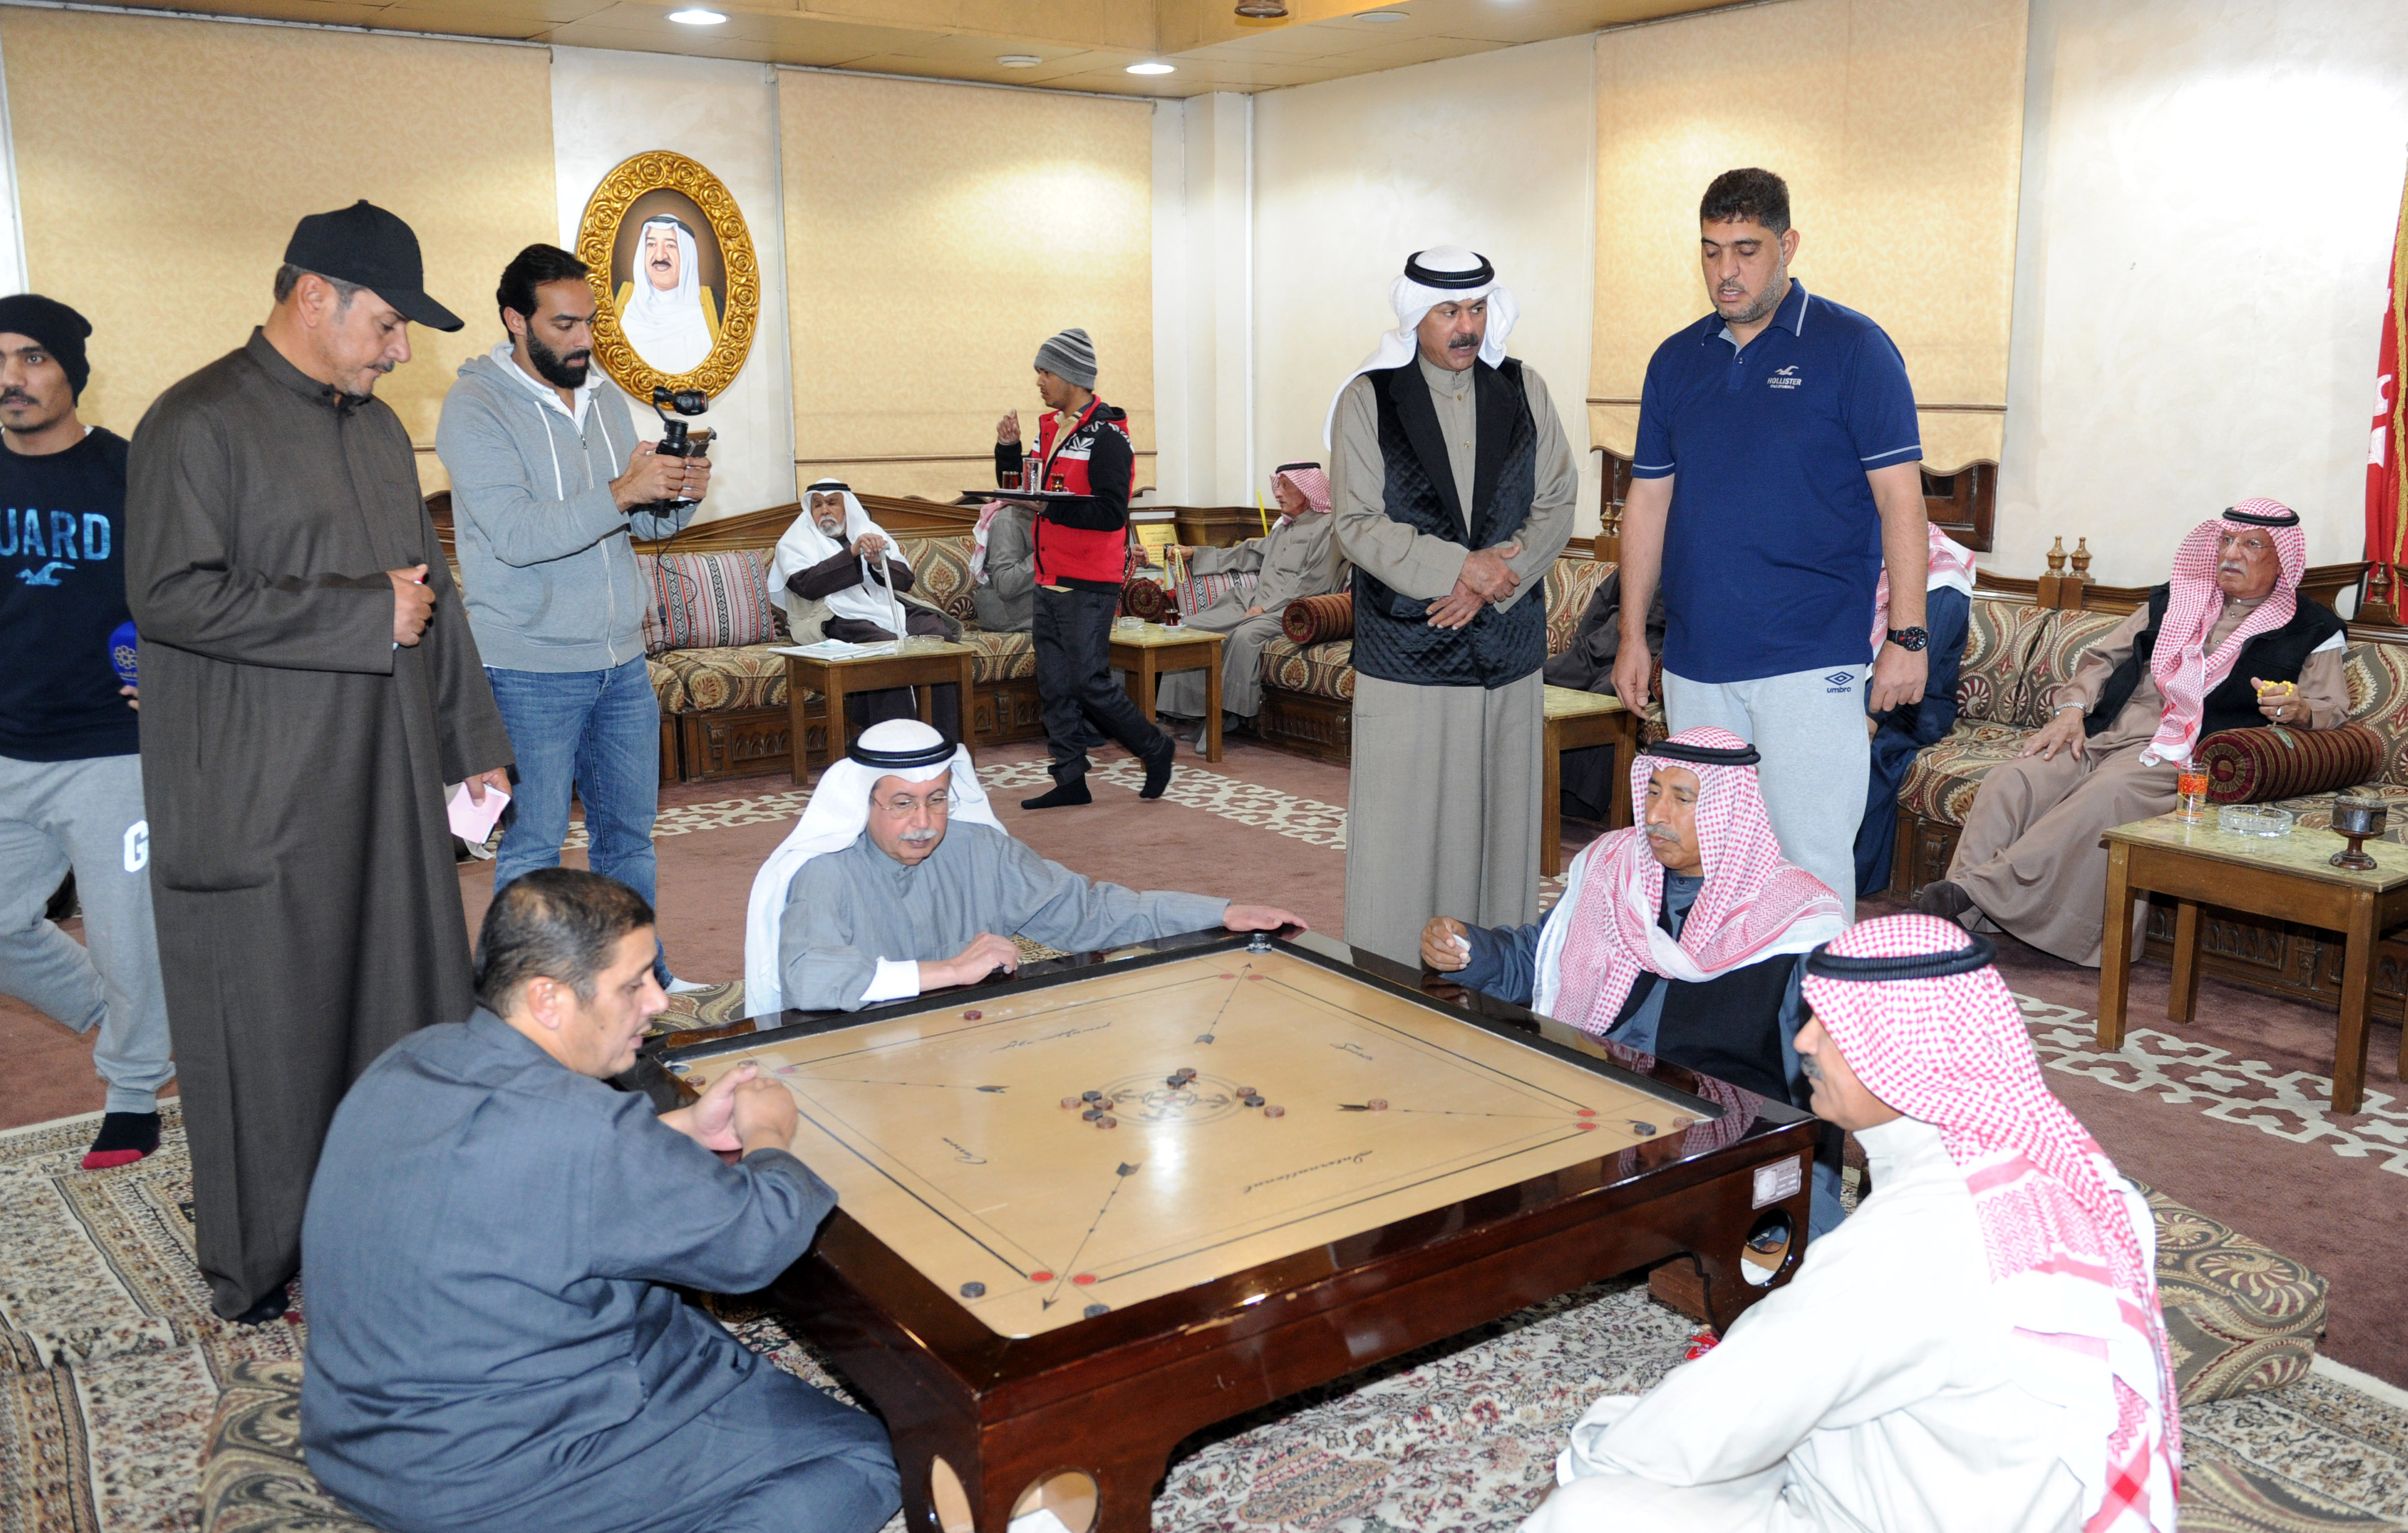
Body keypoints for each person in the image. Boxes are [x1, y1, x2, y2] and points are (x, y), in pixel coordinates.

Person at [126, 200, 514, 1323]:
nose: (400, 352)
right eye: (389, 325)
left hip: (383, 778)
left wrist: (469, 743)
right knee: (275, 1032)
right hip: (258, 794)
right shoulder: (195, 421)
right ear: (314, 297)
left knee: (398, 1005)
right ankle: (263, 1264)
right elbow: (170, 593)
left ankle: (387, 1230)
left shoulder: (380, 430)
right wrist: (358, 615)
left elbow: (425, 591)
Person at [1525, 915, 2177, 1533]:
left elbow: (1723, 1411)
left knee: (1591, 1508)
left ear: (1900, 1052)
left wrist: (1587, 1456)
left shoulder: (1911, 1241)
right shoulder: (2061, 1169)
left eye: (1831, 1027)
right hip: (1989, 1492)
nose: (1803, 1041)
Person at [300, 869, 900, 1533]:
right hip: (499, 1476)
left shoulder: (413, 1058)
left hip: (360, 1445)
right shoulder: (580, 1131)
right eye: (633, 982)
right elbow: (752, 1244)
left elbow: (514, 1176)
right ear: (549, 999)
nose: (657, 1000)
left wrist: (687, 1128)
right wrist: (769, 1134)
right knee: (866, 1455)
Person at [1609, 169, 1931, 922]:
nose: (1726, 271)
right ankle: (1717, 1026)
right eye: (1711, 251)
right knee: (1698, 854)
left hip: (1809, 657)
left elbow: (1900, 500)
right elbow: (1648, 502)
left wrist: (1906, 635)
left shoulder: (1854, 348)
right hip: (1696, 661)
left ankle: (1810, 1037)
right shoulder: (1674, 360)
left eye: (1746, 250)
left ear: (1787, 245)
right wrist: (1632, 635)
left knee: (1808, 862)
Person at [1423, 728, 1848, 1233]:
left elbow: (1819, 1080)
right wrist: (1464, 948)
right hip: (1595, 1086)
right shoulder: (1614, 869)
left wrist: (1806, 1200)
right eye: (1652, 792)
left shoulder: (1794, 919)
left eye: (1681, 799)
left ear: (1728, 812)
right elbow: (1540, 960)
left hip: (1712, 1120)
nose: (1654, 816)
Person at [436, 243, 709, 990]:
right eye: (563, 325)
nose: (584, 340)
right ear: (514, 321)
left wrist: (674, 494)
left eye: (589, 322)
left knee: (629, 842)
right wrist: (625, 491)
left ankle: (640, 981)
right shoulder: (475, 407)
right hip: (526, 666)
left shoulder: (604, 400)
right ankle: (515, 1001)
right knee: (532, 851)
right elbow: (520, 537)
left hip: (621, 662)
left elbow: (637, 531)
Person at [1919, 502, 2344, 964]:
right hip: (2107, 732)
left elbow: (2332, 711)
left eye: (2251, 544)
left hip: (2185, 753)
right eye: (2226, 541)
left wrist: (2299, 709)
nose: (2232, 553)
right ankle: (1961, 920)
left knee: (2108, 794)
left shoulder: (2313, 628)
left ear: (2283, 558)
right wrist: (2071, 711)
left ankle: (1971, 893)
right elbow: (2102, 660)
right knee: (2014, 779)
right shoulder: (2173, 598)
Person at [1326, 247, 1577, 967]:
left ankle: (1491, 975)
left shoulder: (1523, 388)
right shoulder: (1367, 399)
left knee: (1499, 833)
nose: (1465, 327)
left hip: (1503, 649)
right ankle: (1386, 976)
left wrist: (1495, 576)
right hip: (1408, 651)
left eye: (1475, 310)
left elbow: (1558, 500)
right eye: (1447, 312)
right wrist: (1456, 570)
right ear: (1414, 316)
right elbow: (1356, 523)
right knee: (1402, 834)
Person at [742, 720, 1306, 1015]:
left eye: (937, 799)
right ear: (861, 802)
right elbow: (809, 979)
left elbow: (1090, 912)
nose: (923, 821)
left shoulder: (980, 850)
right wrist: (949, 971)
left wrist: (1220, 912)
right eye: (901, 803)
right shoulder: (826, 870)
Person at [0, 294, 174, 1169]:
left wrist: (174, 676)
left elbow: (184, 594)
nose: (10, 379)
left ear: (71, 368)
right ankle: (120, 1019)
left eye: (31, 358)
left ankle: (136, 1089)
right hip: (8, 745)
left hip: (111, 748)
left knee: (126, 936)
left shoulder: (131, 473)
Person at [997, 327, 1177, 810]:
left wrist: (1051, 509)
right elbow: (1028, 491)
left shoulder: (1109, 437)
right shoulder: (1052, 429)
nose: (1039, 380)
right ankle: (1070, 778)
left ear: (1073, 377)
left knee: (1088, 683)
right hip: (1048, 576)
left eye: (1046, 371)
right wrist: (1009, 453)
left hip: (1087, 583)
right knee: (1055, 685)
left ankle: (1154, 747)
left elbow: (1111, 512)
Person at [1156, 462, 1345, 750]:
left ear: (1308, 492)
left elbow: (1313, 582)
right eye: (1277, 486)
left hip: (1291, 611)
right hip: (1254, 601)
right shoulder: (1283, 529)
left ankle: (1223, 717)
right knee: (1192, 628)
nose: (1278, 494)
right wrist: (1196, 553)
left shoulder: (1328, 529)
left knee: (1245, 637)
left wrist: (1268, 608)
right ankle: (1187, 712)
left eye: (1286, 487)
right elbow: (1250, 552)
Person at [772, 477, 962, 734]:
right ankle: (894, 743)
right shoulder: (795, 541)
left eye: (831, 503)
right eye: (817, 505)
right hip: (828, 614)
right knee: (882, 645)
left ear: (847, 507)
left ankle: (943, 739)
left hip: (883, 606)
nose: (824, 510)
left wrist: (876, 561)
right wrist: (851, 554)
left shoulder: (870, 531)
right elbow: (807, 586)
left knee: (937, 635)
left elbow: (904, 581)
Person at [1855, 524, 1976, 895]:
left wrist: (1862, 722)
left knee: (1865, 753)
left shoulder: (1943, 572)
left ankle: (1852, 874)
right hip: (1847, 688)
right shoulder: (1860, 553)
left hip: (1913, 704)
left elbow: (1907, 672)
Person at [1543, 569, 1664, 823]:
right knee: (1536, 681)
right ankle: (1524, 784)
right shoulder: (1641, 559)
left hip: (1648, 656)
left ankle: (1573, 799)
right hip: (1597, 647)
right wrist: (1579, 648)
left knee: (1607, 699)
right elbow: (1602, 603)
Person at [616, 213, 718, 375]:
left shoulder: (713, 308)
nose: (660, 256)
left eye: (671, 246)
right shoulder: (619, 300)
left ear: (686, 254)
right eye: (651, 245)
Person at [970, 491, 1037, 632]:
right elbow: (1006, 584)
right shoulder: (1008, 519)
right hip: (1007, 612)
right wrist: (1048, 552)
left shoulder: (1062, 518)